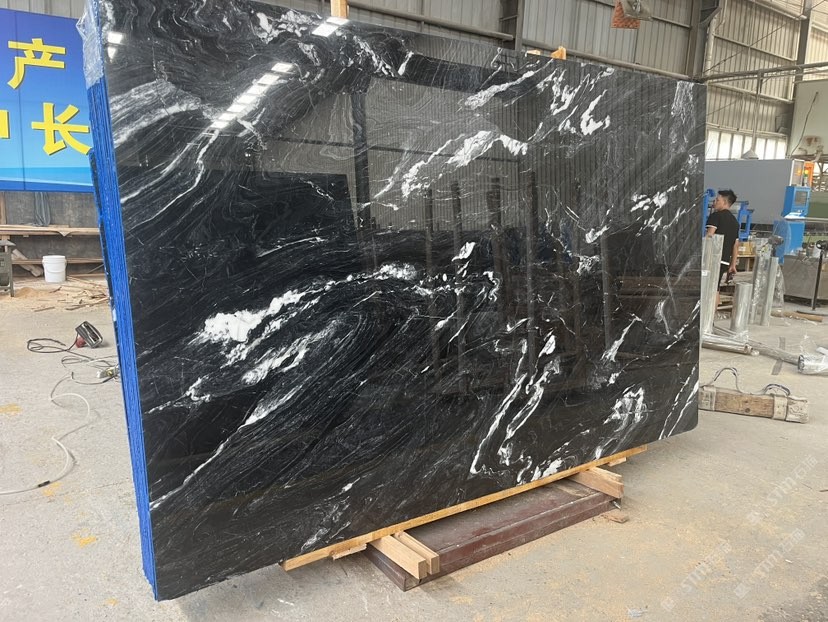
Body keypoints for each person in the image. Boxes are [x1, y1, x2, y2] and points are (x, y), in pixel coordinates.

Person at [705, 189, 740, 306]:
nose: (714, 202)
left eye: (717, 200)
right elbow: (735, 245)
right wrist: (732, 264)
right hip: (724, 261)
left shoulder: (716, 216)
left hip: (712, 258)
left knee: (708, 288)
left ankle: (707, 316)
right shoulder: (735, 222)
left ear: (724, 202)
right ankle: (711, 316)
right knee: (715, 288)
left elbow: (709, 236)